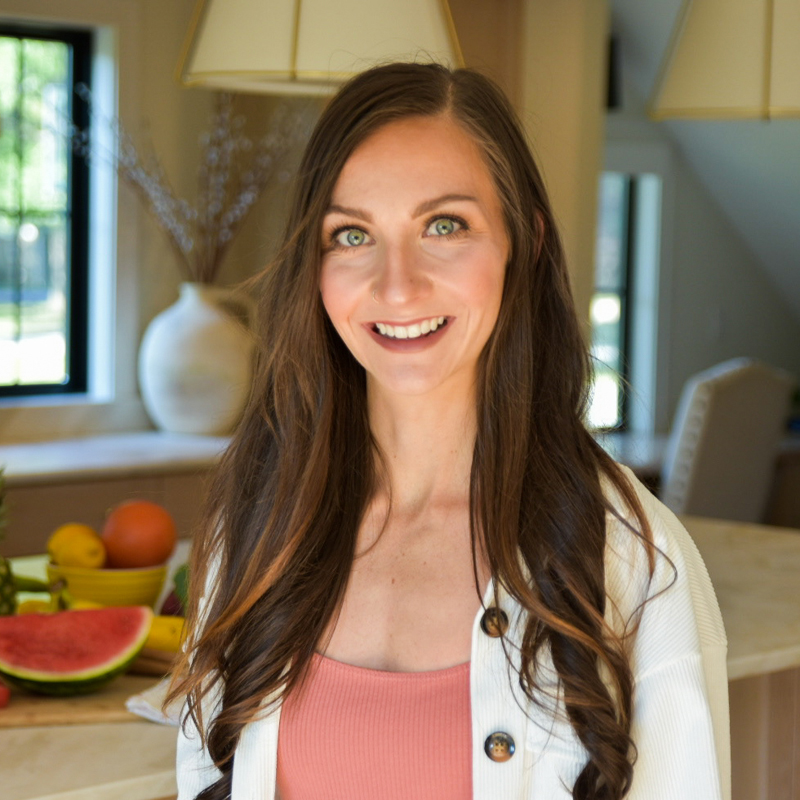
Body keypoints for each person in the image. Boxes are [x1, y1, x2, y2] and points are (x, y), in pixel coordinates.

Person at [170, 62, 730, 800]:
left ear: (521, 243)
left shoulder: (635, 563)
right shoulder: (257, 531)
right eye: (352, 235)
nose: (396, 285)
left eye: (445, 225)